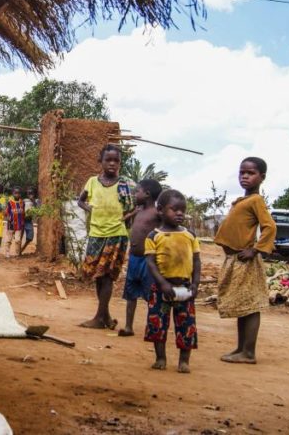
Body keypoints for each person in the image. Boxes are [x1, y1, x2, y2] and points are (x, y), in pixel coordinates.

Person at [213, 157, 276, 364]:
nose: (245, 176)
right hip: (235, 259)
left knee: (249, 306)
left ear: (262, 177)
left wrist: (256, 250)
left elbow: (270, 227)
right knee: (242, 305)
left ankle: (249, 352)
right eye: (242, 173)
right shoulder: (244, 201)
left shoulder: (256, 200)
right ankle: (242, 348)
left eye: (250, 173)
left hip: (245, 260)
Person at [77, 145, 136, 330]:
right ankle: (106, 317)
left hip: (116, 235)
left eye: (116, 160)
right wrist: (89, 209)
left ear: (120, 163)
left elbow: (134, 208)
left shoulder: (125, 184)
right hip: (96, 233)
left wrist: (124, 220)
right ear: (100, 162)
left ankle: (98, 318)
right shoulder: (92, 182)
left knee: (107, 276)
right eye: (108, 160)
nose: (112, 163)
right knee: (97, 275)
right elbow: (80, 200)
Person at [144, 190, 201, 373]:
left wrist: (195, 284)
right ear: (160, 210)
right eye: (174, 209)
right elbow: (150, 263)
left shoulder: (190, 235)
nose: (179, 213)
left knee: (186, 326)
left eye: (182, 210)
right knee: (157, 323)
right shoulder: (154, 236)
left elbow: (197, 261)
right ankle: (160, 358)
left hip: (184, 287)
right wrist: (162, 283)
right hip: (161, 288)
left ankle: (184, 361)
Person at [119, 179, 163, 337]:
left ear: (147, 194)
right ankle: (128, 327)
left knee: (151, 296)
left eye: (137, 191)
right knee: (131, 294)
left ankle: (152, 328)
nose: (134, 194)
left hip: (149, 261)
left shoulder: (157, 213)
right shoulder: (138, 210)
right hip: (134, 259)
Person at [4, 187, 26, 258]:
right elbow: (6, 212)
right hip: (11, 225)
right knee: (8, 240)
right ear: (13, 194)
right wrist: (8, 218)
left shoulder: (22, 203)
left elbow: (23, 213)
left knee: (17, 240)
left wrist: (23, 222)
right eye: (15, 193)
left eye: (18, 193)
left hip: (19, 225)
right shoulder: (10, 203)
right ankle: (7, 252)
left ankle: (17, 253)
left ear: (20, 194)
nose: (17, 194)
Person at [22, 187, 40, 252]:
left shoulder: (37, 201)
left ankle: (22, 249)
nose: (30, 195)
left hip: (29, 221)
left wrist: (33, 201)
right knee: (19, 236)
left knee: (30, 238)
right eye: (28, 193)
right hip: (22, 220)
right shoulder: (24, 200)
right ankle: (19, 251)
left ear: (34, 194)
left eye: (31, 193)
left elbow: (38, 209)